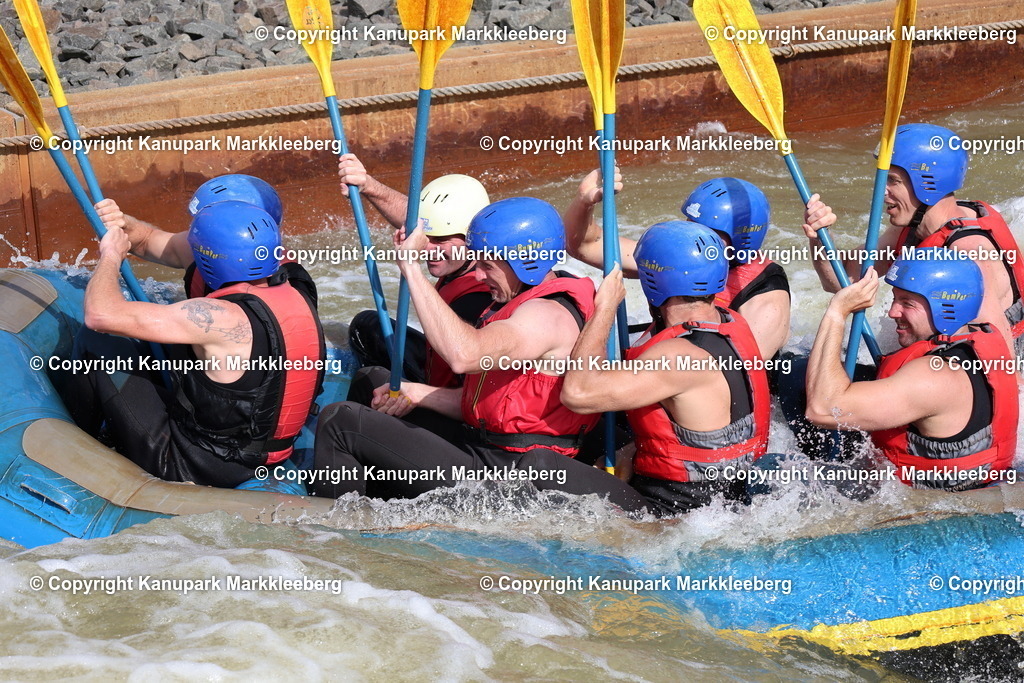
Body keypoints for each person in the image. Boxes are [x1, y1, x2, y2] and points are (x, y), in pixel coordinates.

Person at [311, 197, 648, 512]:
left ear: (526, 262)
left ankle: (338, 535)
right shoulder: (527, 296)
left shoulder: (545, 318)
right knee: (373, 380)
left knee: (341, 422)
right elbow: (488, 405)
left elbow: (463, 356)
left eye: (488, 265)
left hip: (505, 476)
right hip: (487, 445)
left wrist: (411, 269)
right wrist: (420, 393)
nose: (479, 274)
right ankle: (381, 500)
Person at [64, 201, 326, 487]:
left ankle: (80, 444)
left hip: (194, 465)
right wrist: (123, 223)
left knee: (99, 342)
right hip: (259, 455)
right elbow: (154, 241)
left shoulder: (217, 317)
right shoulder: (293, 291)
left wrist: (111, 255)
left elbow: (99, 315)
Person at [561, 221, 771, 515]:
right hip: (726, 493)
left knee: (540, 466)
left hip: (674, 509)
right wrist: (631, 449)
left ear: (652, 283)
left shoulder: (675, 357)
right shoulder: (731, 321)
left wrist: (605, 307)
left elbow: (577, 393)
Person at [804, 249, 1017, 491]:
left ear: (945, 306)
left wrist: (837, 312)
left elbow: (821, 409)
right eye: (895, 299)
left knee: (775, 467)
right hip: (981, 481)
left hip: (928, 511)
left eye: (907, 303)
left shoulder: (934, 377)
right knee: (797, 371)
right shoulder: (978, 338)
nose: (892, 312)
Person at [803, 123, 1024, 356]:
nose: (881, 191)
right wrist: (820, 237)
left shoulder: (968, 252)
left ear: (928, 181)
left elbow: (1001, 358)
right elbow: (839, 282)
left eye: (893, 181)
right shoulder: (910, 230)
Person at [563, 171, 790, 359]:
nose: (692, 235)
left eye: (706, 231)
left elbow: (733, 378)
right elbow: (584, 245)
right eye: (691, 224)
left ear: (741, 238)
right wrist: (584, 202)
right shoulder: (679, 255)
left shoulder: (767, 299)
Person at [337, 154, 492, 388]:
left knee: (366, 383)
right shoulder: (465, 256)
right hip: (438, 362)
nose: (427, 248)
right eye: (425, 238)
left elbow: (465, 373)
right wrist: (367, 185)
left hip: (450, 397)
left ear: (473, 239)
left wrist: (410, 267)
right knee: (368, 325)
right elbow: (418, 221)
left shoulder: (478, 298)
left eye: (440, 240)